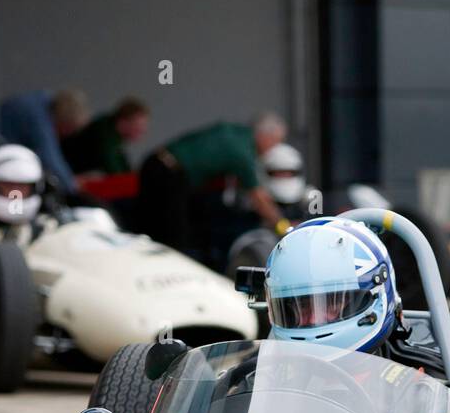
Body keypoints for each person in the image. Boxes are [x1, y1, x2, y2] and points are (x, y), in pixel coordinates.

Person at [137, 113, 287, 257]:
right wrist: (282, 225)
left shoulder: (237, 133)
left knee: (162, 232)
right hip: (166, 174)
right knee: (173, 238)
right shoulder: (242, 152)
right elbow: (259, 198)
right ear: (264, 135)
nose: (273, 149)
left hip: (157, 166)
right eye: (275, 142)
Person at [263, 217, 399, 353]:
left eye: (333, 303)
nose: (314, 319)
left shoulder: (414, 371)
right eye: (302, 306)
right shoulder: (264, 372)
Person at [0, 88, 88, 193]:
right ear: (65, 122)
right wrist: (72, 185)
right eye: (69, 129)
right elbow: (49, 158)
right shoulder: (38, 117)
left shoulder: (40, 103)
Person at [60, 96, 149, 176]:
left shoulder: (113, 135)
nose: (142, 131)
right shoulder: (104, 134)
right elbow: (114, 171)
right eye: (138, 126)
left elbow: (124, 168)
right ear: (123, 122)